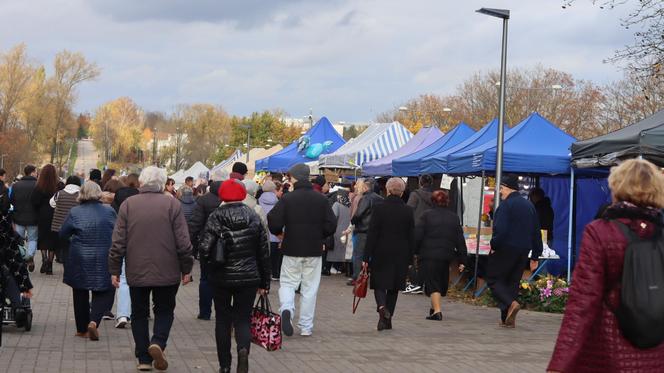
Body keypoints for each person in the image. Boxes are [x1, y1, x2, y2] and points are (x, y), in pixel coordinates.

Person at [547, 159, 664, 372]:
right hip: (657, 352)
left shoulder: (601, 232)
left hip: (608, 349)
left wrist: (559, 363)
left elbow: (583, 301)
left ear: (617, 187)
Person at [109, 166, 194, 371]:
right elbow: (183, 242)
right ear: (163, 183)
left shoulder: (128, 205)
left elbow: (118, 241)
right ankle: (158, 341)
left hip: (136, 269)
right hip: (168, 269)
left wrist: (114, 269)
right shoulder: (172, 205)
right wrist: (186, 268)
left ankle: (144, 358)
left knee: (138, 313)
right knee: (165, 310)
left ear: (141, 183)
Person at [198, 179, 271, 373]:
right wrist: (265, 282)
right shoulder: (253, 216)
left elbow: (204, 248)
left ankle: (224, 365)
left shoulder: (216, 216)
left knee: (222, 319)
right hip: (248, 276)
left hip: (221, 277)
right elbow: (264, 252)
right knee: (243, 318)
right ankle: (243, 349)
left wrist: (208, 270)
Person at [267, 163, 336, 337]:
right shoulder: (321, 199)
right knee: (310, 288)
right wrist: (320, 235)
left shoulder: (287, 199)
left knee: (288, 283)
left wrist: (279, 233)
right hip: (314, 248)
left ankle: (287, 308)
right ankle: (306, 326)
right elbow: (331, 224)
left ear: (294, 178)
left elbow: (273, 220)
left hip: (292, 247)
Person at [59, 181, 116, 340]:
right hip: (104, 255)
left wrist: (73, 240)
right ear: (99, 194)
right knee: (104, 290)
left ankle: (81, 329)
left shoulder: (75, 212)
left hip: (80, 255)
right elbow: (117, 232)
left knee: (79, 291)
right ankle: (93, 321)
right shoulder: (109, 211)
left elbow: (62, 233)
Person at [488, 174, 542, 328]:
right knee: (512, 282)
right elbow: (536, 231)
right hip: (523, 250)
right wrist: (536, 255)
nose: (500, 192)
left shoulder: (505, 206)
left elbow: (500, 230)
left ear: (507, 188)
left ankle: (512, 304)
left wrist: (494, 245)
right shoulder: (529, 206)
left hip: (506, 248)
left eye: (501, 189)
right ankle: (507, 319)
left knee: (494, 279)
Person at [361, 178, 414, 331]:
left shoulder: (379, 208)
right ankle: (387, 317)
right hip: (401, 254)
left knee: (379, 283)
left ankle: (382, 307)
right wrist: (410, 258)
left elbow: (372, 234)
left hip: (380, 251)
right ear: (402, 192)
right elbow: (411, 236)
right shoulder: (408, 210)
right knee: (394, 287)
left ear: (387, 190)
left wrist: (366, 257)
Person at [415, 190, 467, 320]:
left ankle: (437, 311)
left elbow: (418, 236)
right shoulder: (454, 217)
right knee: (438, 282)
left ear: (433, 201)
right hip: (446, 255)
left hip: (428, 254)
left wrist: (415, 251)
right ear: (447, 201)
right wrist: (463, 259)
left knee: (432, 283)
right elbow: (460, 240)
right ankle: (433, 309)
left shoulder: (426, 216)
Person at [188, 169, 227, 321]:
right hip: (228, 244)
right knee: (224, 279)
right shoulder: (230, 198)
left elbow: (195, 224)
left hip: (208, 244)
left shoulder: (203, 200)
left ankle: (205, 312)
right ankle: (223, 311)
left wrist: (190, 244)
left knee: (205, 279)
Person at [109, 173, 139, 328]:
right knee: (140, 280)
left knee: (123, 280)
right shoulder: (140, 197)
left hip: (122, 241)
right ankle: (139, 312)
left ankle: (122, 315)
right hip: (139, 243)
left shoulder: (118, 197)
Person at [0, 194, 34, 328]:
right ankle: (18, 307)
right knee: (8, 276)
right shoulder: (6, 225)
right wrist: (25, 284)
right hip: (5, 263)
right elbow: (14, 255)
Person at [404, 174, 435, 294]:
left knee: (409, 257)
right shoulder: (434, 196)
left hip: (415, 228)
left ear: (420, 182)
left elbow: (408, 210)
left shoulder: (415, 194)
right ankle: (423, 282)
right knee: (424, 257)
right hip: (430, 229)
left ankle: (415, 282)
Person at [349, 178, 383, 285]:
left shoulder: (366, 198)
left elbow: (358, 214)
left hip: (363, 230)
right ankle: (374, 277)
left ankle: (356, 278)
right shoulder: (381, 199)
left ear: (365, 187)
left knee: (358, 255)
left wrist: (353, 221)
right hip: (376, 231)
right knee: (373, 255)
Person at [9, 165, 39, 272]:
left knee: (19, 240)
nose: (37, 173)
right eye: (36, 172)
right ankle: (29, 256)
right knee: (33, 239)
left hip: (18, 217)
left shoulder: (16, 185)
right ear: (32, 173)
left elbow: (11, 200)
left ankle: (21, 259)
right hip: (33, 218)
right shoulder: (38, 185)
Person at [31, 164, 59, 275]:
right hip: (55, 215)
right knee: (52, 239)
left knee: (42, 238)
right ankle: (50, 264)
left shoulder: (38, 187)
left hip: (42, 215)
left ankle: (44, 259)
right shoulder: (58, 185)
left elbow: (34, 202)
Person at [50, 176, 82, 265]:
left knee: (58, 245)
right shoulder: (81, 194)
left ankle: (58, 259)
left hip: (58, 225)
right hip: (75, 225)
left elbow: (52, 203)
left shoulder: (59, 193)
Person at [258, 180, 282, 281]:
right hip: (276, 235)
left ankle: (265, 275)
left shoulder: (258, 201)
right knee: (275, 258)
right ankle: (275, 274)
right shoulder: (278, 203)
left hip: (264, 235)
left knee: (265, 257)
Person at [327, 183, 351, 274]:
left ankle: (333, 267)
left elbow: (333, 217)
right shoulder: (350, 205)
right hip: (347, 231)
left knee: (335, 251)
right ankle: (340, 268)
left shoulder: (337, 204)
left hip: (337, 230)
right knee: (343, 251)